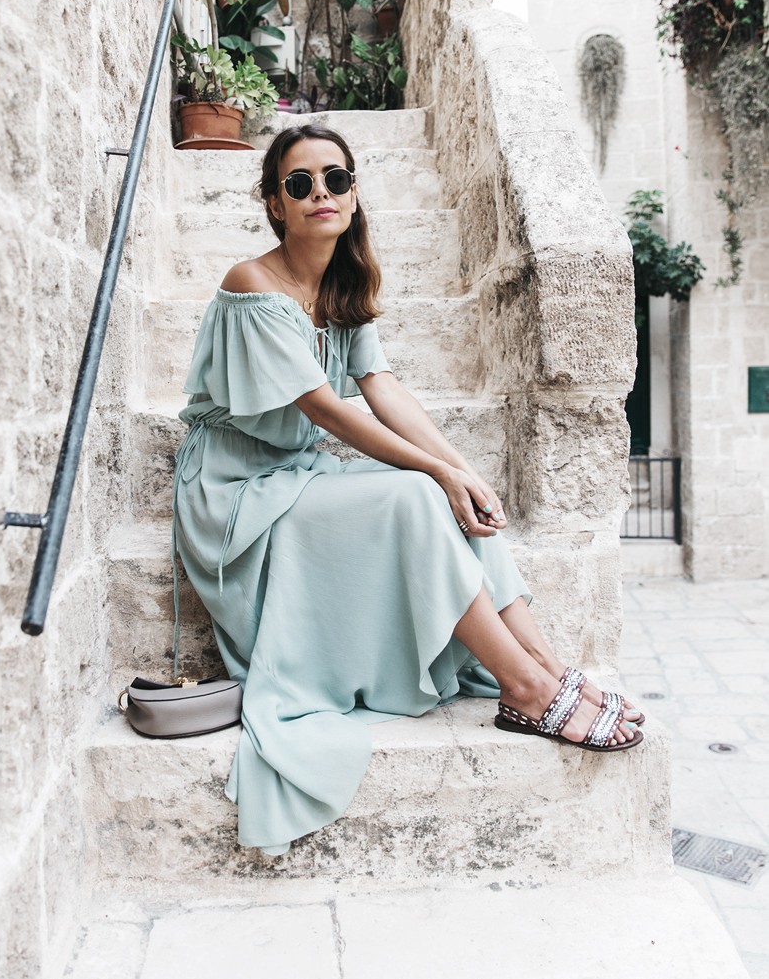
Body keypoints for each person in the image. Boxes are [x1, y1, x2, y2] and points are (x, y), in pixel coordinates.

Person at [171, 123, 643, 856]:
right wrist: (437, 473)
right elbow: (325, 411)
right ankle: (526, 687)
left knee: (449, 497)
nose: (320, 193)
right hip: (235, 494)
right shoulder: (251, 284)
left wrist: (463, 469)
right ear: (275, 204)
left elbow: (381, 388)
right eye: (299, 184)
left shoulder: (341, 284)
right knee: (418, 494)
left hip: (293, 476)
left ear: (354, 194)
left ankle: (547, 667)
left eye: (334, 179)